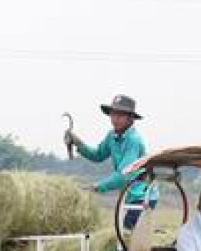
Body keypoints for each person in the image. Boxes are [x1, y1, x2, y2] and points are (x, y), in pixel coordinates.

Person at [66, 94, 159, 230]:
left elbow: (124, 174)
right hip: (131, 193)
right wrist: (79, 144)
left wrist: (100, 186)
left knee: (127, 233)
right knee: (126, 233)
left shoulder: (133, 140)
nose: (115, 119)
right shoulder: (112, 136)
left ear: (130, 119)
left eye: (120, 115)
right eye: (113, 114)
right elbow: (98, 155)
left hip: (143, 193)